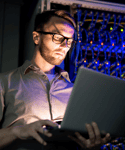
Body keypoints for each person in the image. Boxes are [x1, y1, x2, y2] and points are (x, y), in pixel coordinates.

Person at [0, 10, 111, 150]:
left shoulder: (75, 92)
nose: (65, 45)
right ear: (36, 37)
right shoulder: (5, 82)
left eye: (69, 40)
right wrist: (19, 131)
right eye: (58, 37)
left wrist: (90, 147)